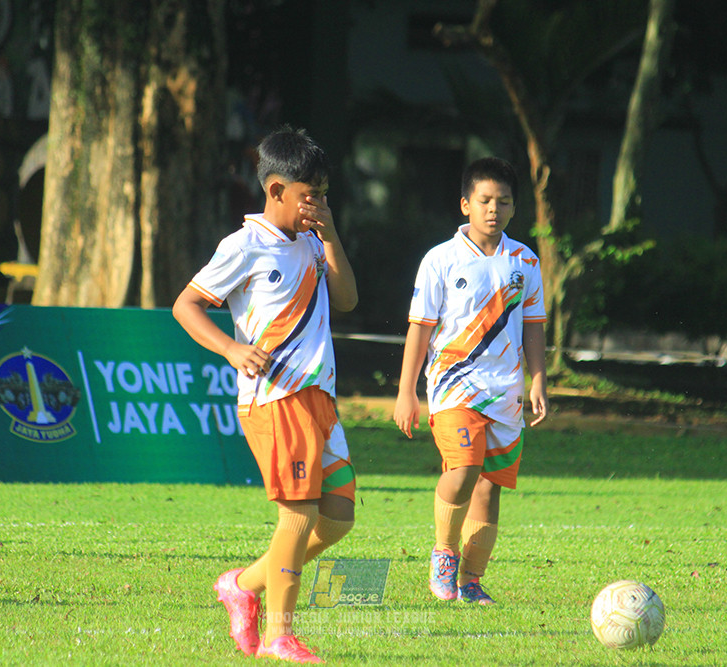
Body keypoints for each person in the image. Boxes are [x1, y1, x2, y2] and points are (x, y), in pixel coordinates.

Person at [173, 127, 357, 663]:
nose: (317, 204)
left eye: (324, 194)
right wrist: (231, 349)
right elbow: (187, 305)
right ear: (275, 190)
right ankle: (280, 637)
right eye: (309, 195)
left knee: (338, 518)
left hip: (320, 400)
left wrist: (330, 237)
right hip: (276, 400)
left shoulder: (312, 242)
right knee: (297, 517)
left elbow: (347, 300)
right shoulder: (244, 245)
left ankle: (240, 584)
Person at [393, 157, 549, 605]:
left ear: (515, 208)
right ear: (465, 204)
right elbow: (419, 327)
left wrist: (537, 379)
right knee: (463, 470)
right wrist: (406, 393)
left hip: (506, 392)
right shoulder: (440, 260)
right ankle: (443, 551)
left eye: (503, 201)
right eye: (484, 200)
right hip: (453, 386)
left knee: (489, 485)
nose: (493, 209)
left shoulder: (525, 261)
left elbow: (534, 324)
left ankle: (471, 579)